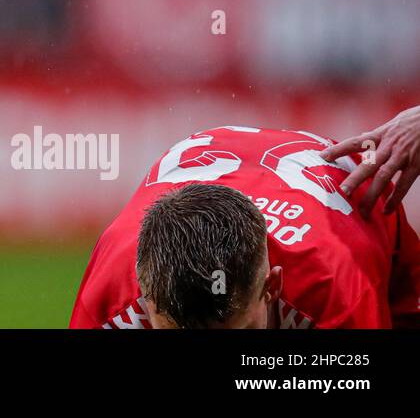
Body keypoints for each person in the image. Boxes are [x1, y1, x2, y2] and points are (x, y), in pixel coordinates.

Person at [70, 126, 420, 328]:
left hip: (364, 211)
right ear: (146, 300)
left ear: (272, 285)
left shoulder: (335, 289)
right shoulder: (111, 293)